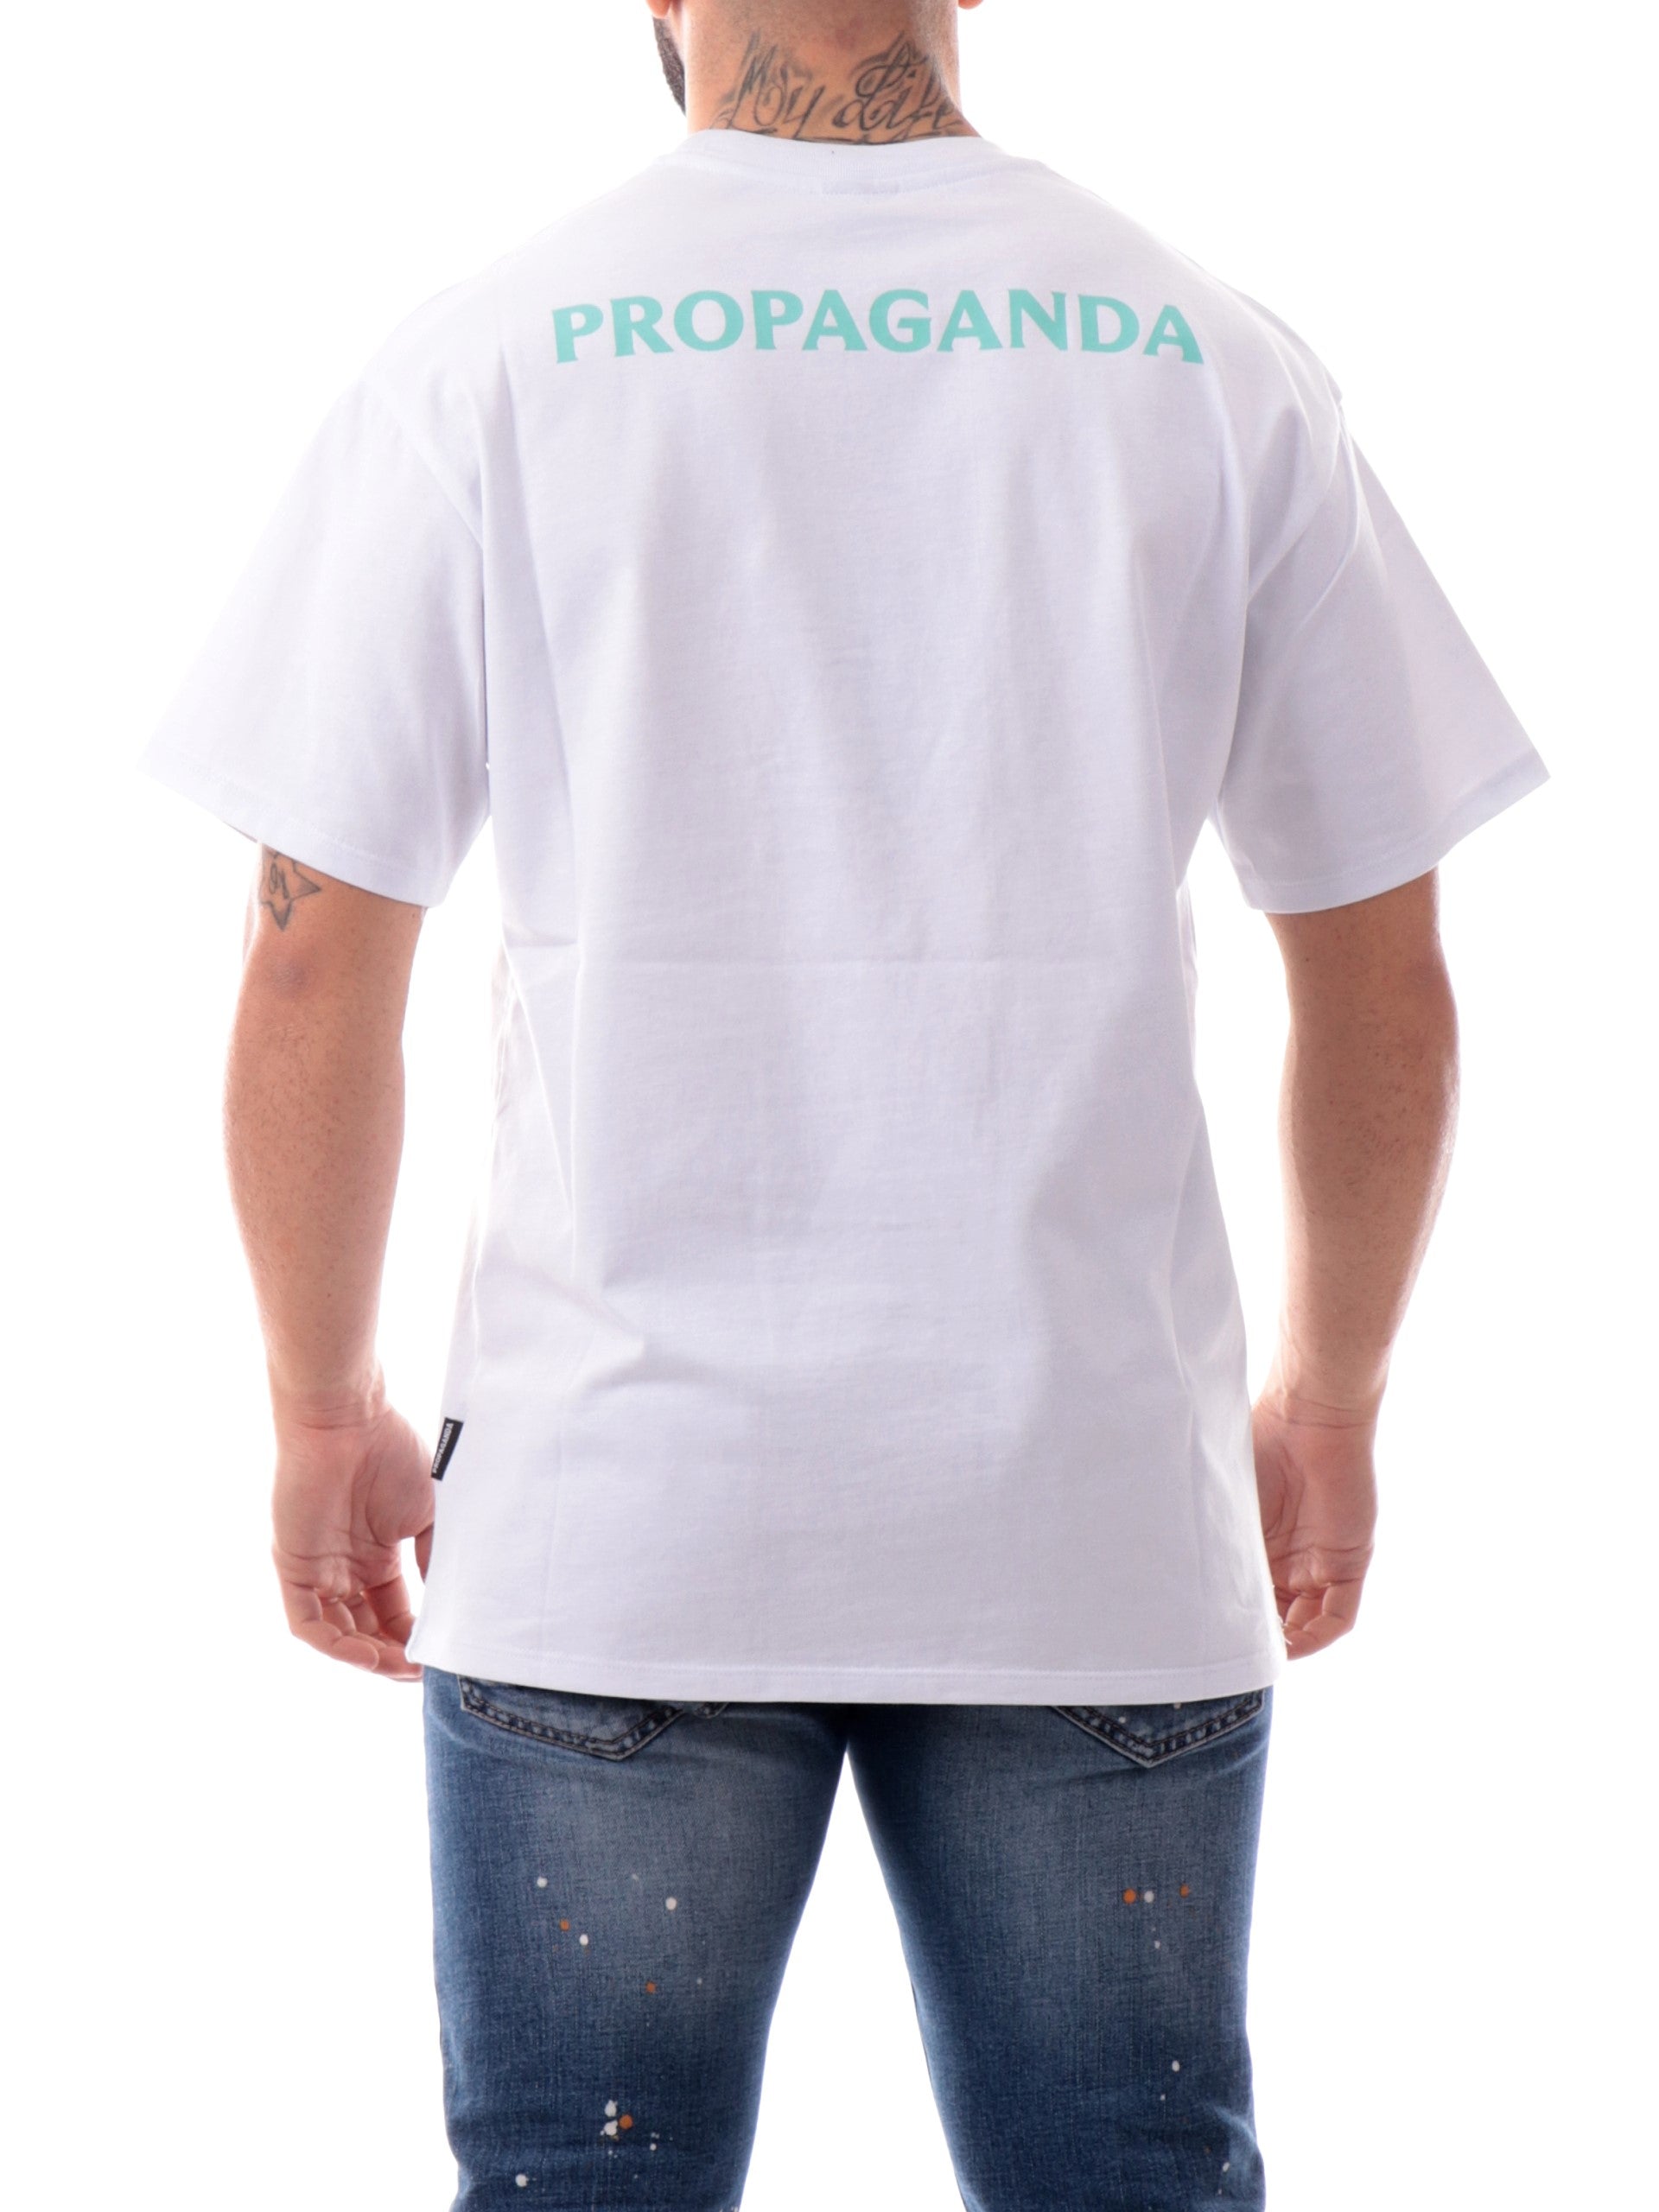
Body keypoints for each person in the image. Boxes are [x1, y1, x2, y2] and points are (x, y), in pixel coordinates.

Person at [138, 3, 1549, 2205]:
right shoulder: (1205, 353)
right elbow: (1382, 966)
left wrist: (324, 1405)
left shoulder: (491, 353)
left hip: (618, 1516)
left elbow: (313, 956)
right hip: (1087, 1502)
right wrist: (1332, 1397)